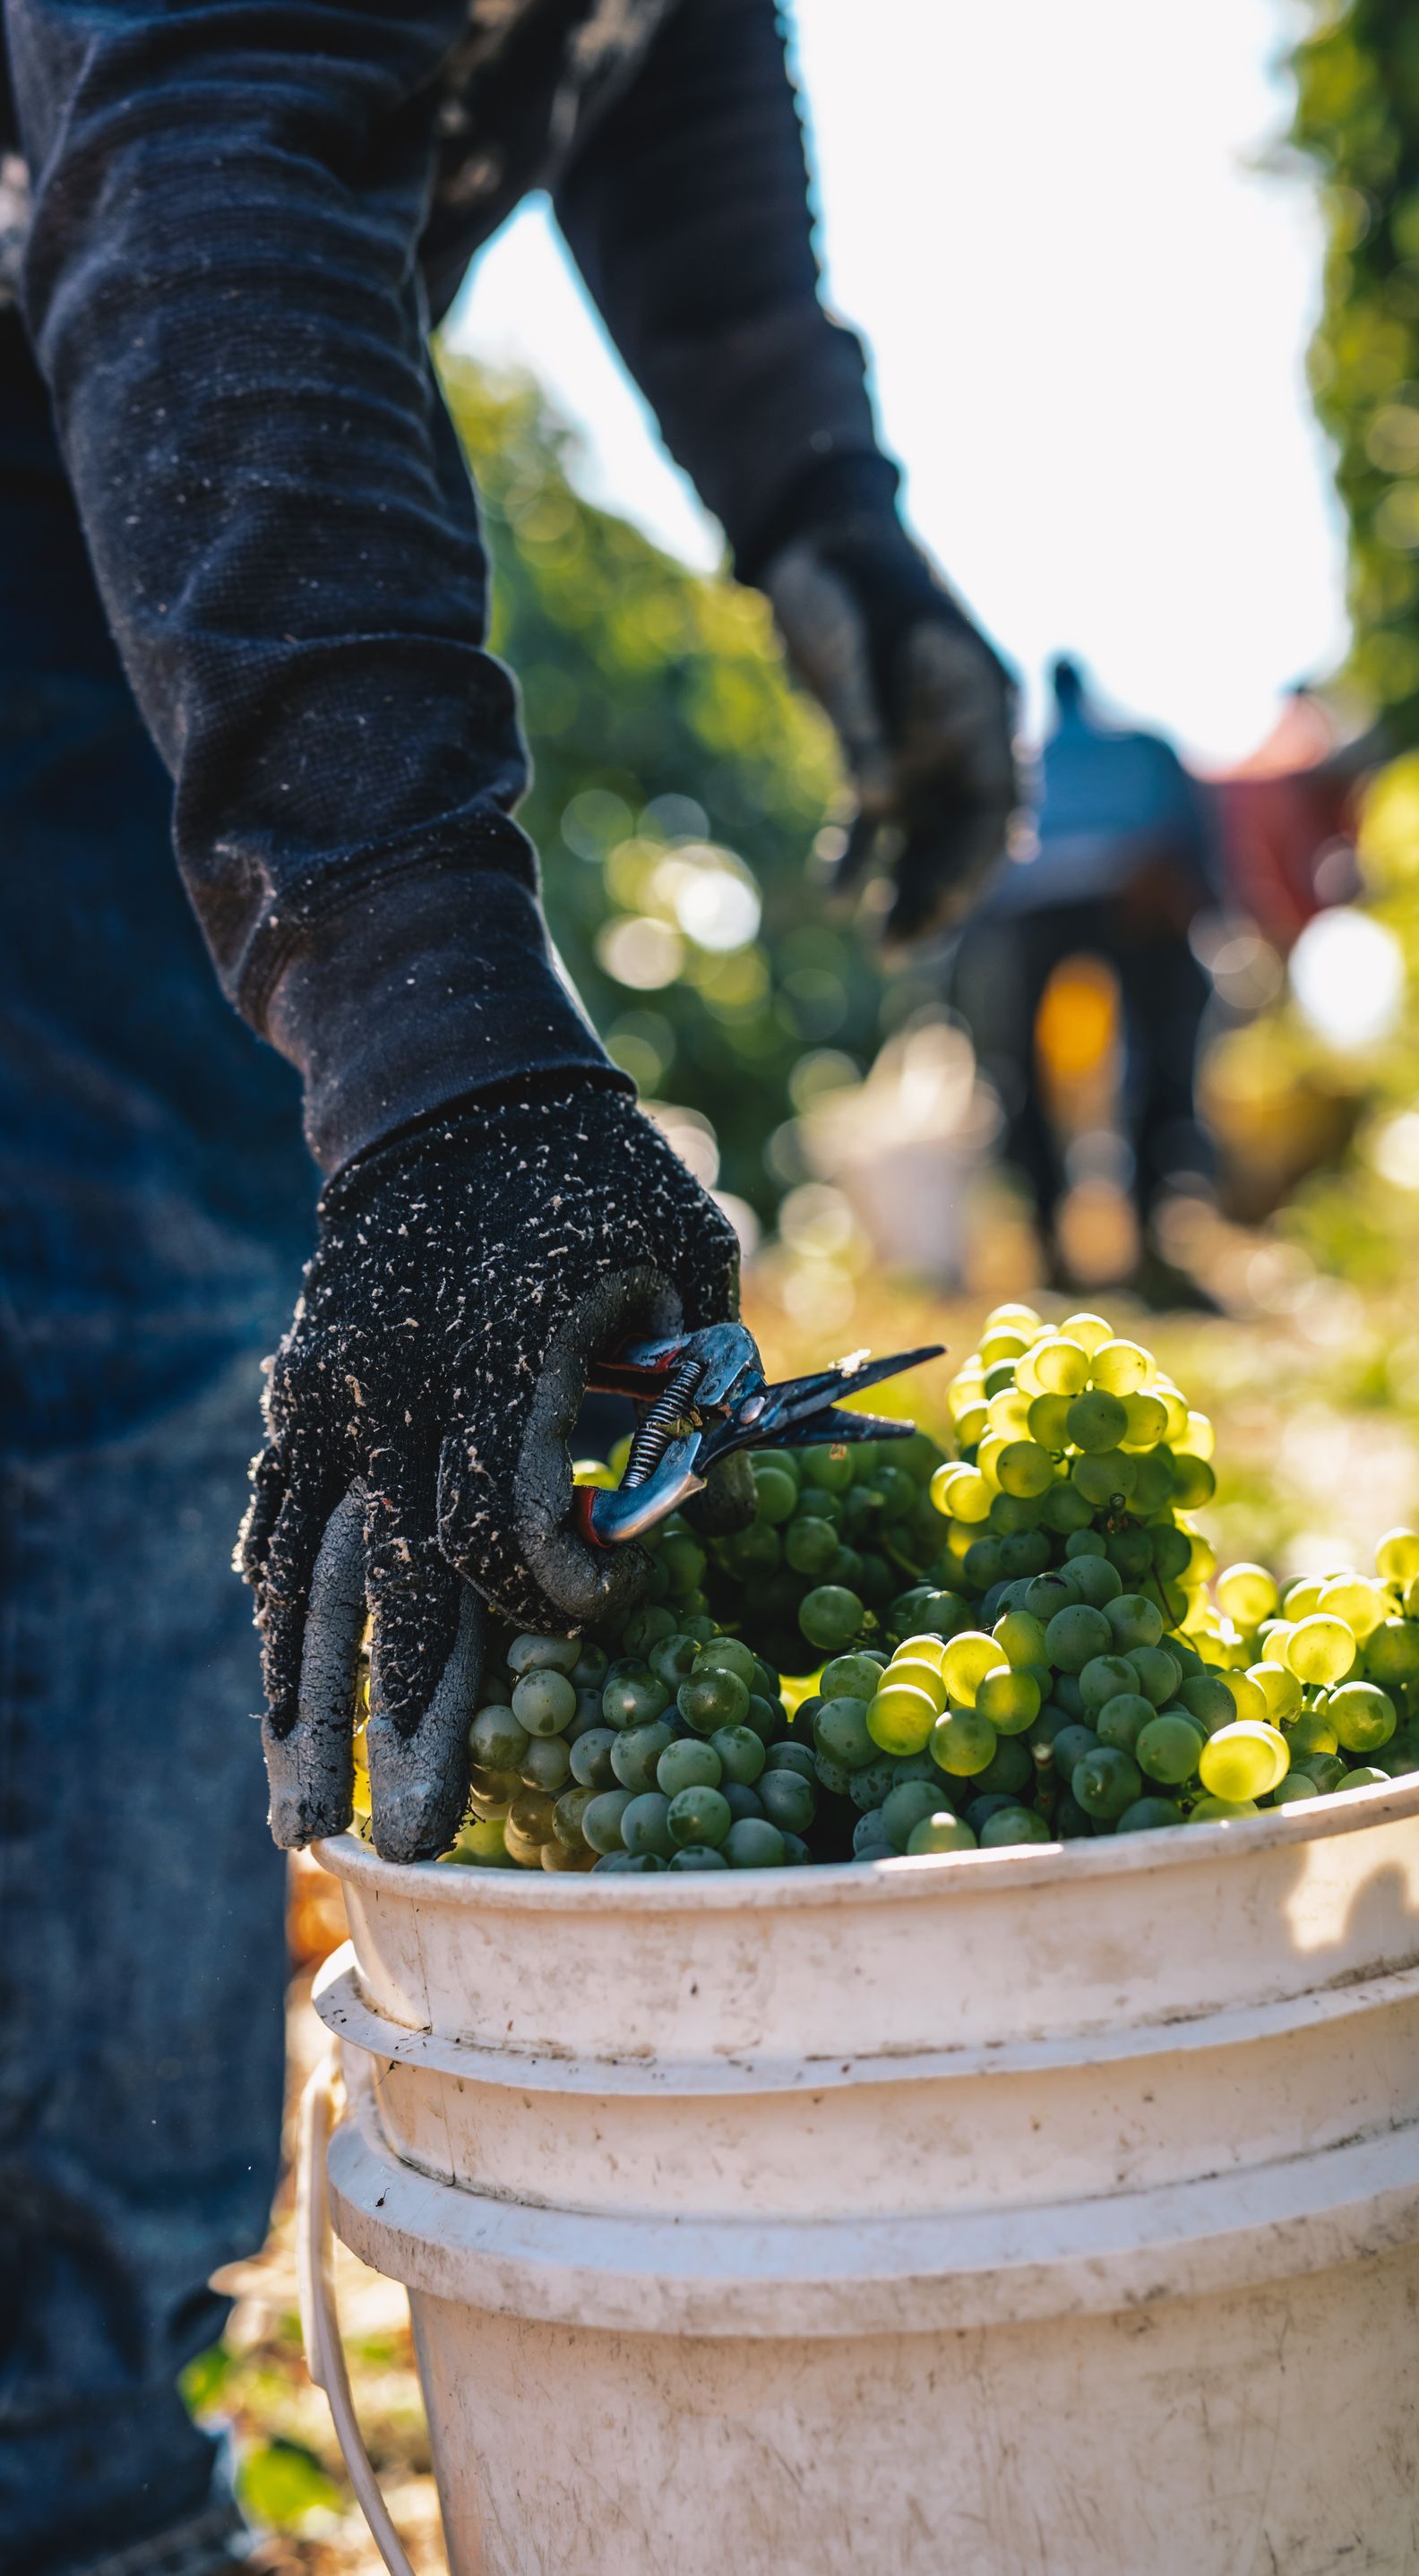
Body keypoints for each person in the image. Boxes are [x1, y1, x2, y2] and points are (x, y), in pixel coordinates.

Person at [0, 8, 1017, 2571]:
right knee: (124, 1389)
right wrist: (444, 1064)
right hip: (75, 437)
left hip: (114, 490)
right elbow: (205, 108)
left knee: (146, 1356)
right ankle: (63, 2478)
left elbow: (646, 44)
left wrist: (820, 496)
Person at [955, 656, 1215, 1294]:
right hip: (1130, 892)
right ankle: (1141, 1227)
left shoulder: (1025, 759)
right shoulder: (1144, 749)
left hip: (1044, 906)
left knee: (1021, 1065)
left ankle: (1068, 1234)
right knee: (1156, 1049)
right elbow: (1196, 845)